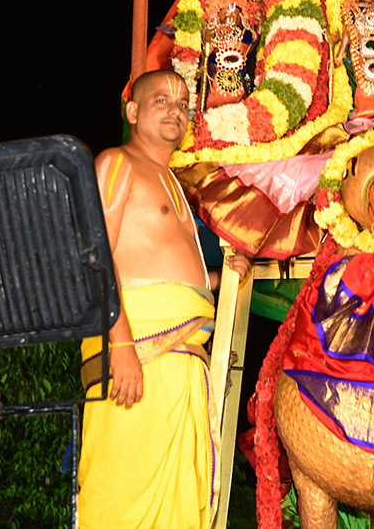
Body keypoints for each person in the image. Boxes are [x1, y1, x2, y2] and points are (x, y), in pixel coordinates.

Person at [78, 69, 249, 529]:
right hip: (137, 355)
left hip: (181, 364)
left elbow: (159, 263)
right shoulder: (117, 163)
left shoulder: (174, 182)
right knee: (122, 500)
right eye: (161, 101)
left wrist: (218, 279)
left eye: (183, 104)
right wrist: (120, 347)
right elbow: (95, 258)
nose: (176, 110)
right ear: (132, 111)